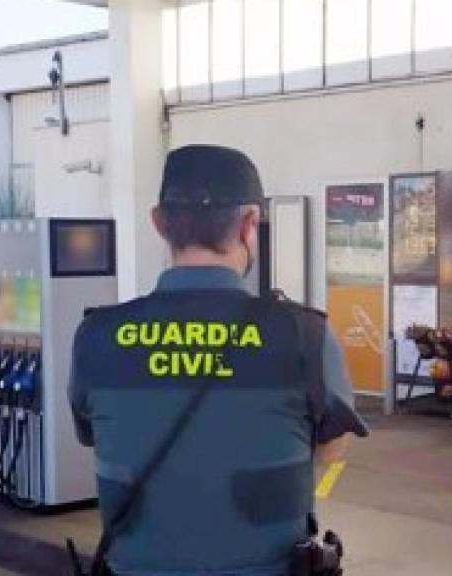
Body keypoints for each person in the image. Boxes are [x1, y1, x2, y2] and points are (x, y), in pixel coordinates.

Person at [68, 144, 368, 576]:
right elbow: (332, 448)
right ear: (250, 224)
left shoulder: (96, 338)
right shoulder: (304, 336)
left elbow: (94, 436)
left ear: (158, 223)